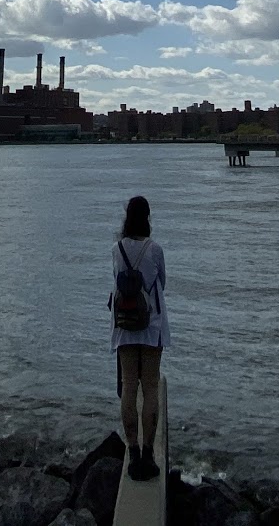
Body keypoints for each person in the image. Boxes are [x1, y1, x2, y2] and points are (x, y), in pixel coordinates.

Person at [110, 194, 167, 481]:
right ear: (147, 218)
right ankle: (148, 453)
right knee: (151, 387)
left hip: (123, 326)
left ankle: (131, 451)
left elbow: (116, 282)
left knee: (129, 386)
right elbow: (162, 284)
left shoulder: (116, 249)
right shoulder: (154, 249)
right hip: (151, 326)